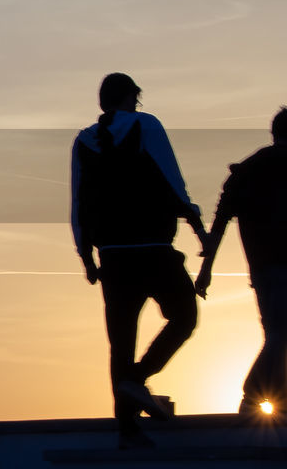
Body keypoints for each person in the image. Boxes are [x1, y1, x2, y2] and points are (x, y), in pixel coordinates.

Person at [71, 73, 209, 448]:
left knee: (120, 342)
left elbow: (78, 201)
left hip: (112, 257)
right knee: (184, 317)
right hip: (153, 249)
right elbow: (172, 180)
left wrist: (86, 255)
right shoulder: (146, 125)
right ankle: (138, 379)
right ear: (132, 97)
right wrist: (199, 228)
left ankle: (128, 430)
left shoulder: (83, 142)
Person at [195, 107, 287, 419]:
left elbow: (219, 224)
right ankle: (252, 396)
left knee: (276, 335)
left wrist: (206, 270)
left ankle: (278, 401)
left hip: (261, 269)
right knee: (280, 335)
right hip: (279, 267)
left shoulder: (246, 171)